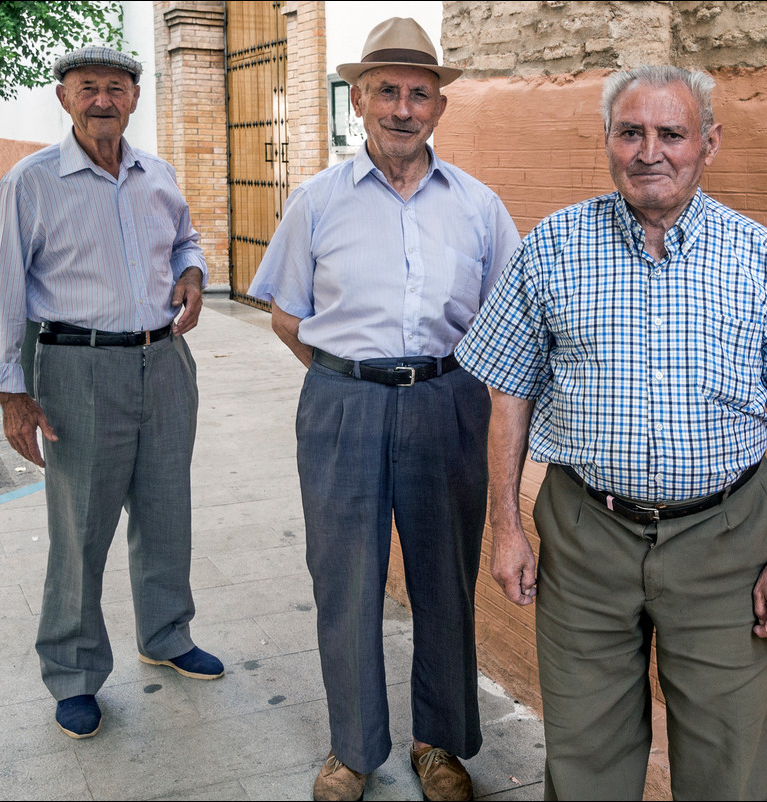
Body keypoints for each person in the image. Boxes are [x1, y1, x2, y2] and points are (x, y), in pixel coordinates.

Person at [455, 65, 767, 800]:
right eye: (630, 131)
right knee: (584, 759)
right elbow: (507, 390)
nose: (650, 152)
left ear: (708, 144)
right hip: (584, 535)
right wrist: (505, 527)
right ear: (607, 141)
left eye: (671, 134)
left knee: (727, 763)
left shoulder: (762, 260)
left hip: (725, 543)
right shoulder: (551, 247)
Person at [247, 17, 520, 802]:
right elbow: (286, 315)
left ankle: (439, 745)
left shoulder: (478, 205)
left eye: (420, 94)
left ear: (439, 107)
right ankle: (353, 749)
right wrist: (346, 379)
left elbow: (506, 321)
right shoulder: (316, 202)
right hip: (342, 404)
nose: (403, 108)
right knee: (345, 581)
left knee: (444, 579)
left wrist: (441, 388)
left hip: (448, 402)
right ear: (358, 99)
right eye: (387, 92)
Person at [0, 46, 224, 741]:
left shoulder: (156, 174)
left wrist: (194, 273)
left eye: (116, 88)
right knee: (81, 528)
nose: (103, 100)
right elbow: (0, 289)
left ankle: (167, 634)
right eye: (89, 89)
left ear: (135, 99)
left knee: (167, 509)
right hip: (75, 371)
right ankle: (75, 673)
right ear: (64, 99)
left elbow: (184, 238)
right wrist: (10, 393)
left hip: (165, 362)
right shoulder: (32, 182)